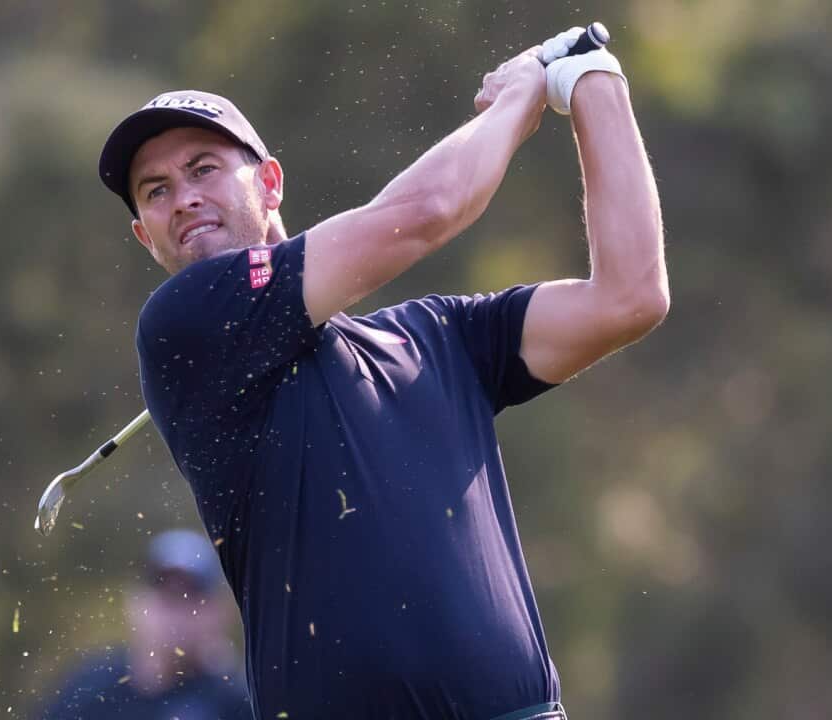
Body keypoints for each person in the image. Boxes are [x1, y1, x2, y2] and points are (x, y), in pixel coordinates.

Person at [95, 26, 668, 720]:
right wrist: (521, 95)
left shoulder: (437, 335)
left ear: (270, 182)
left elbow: (629, 297)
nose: (183, 197)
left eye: (203, 168)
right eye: (156, 190)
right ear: (145, 234)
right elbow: (429, 211)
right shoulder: (183, 324)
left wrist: (591, 78)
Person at [34, 529, 252, 719]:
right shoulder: (89, 689)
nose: (175, 614)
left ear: (220, 611)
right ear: (134, 602)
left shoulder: (239, 703)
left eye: (190, 597)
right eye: (165, 597)